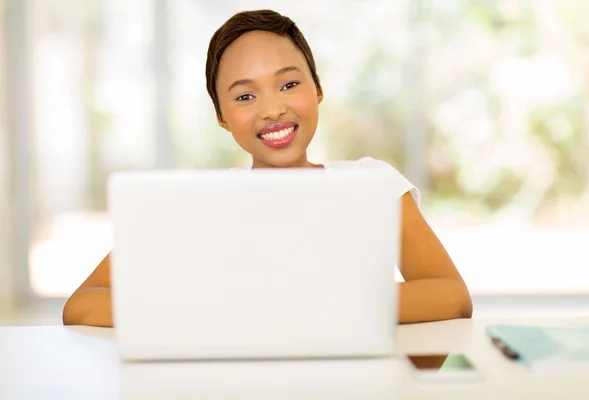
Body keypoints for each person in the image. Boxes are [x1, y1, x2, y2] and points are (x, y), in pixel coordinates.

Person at [62, 9, 472, 328]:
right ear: (221, 116)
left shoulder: (373, 184)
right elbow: (83, 304)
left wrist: (311, 307)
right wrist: (218, 311)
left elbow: (452, 297)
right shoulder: (200, 205)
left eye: (290, 84)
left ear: (318, 88)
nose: (273, 109)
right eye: (244, 96)